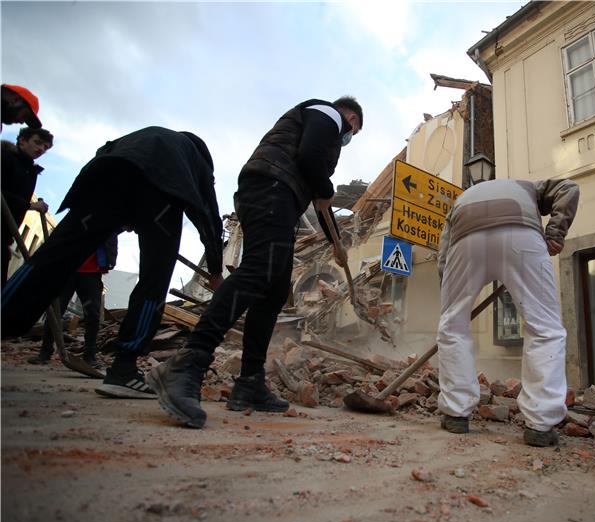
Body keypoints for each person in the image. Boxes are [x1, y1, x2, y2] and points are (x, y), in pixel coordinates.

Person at [147, 96, 363, 428]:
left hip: (279, 195)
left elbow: (321, 204)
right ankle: (187, 364)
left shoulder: (320, 135)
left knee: (274, 291)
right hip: (271, 188)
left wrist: (337, 244)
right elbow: (311, 160)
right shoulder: (326, 113)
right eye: (354, 130)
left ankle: (249, 382)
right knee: (258, 272)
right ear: (350, 116)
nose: (349, 137)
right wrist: (325, 185)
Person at [2, 126, 223, 399]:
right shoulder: (194, 157)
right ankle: (124, 369)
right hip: (161, 197)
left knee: (50, 258)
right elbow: (209, 214)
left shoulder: (140, 137)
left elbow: (103, 153)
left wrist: (117, 212)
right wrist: (215, 269)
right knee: (154, 280)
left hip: (105, 178)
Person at [436, 178, 579, 447]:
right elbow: (568, 188)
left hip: (464, 239)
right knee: (545, 328)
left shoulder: (463, 198)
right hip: (521, 234)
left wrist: (451, 291)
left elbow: (444, 252)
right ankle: (540, 423)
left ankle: (456, 413)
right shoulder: (531, 188)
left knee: (453, 325)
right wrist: (555, 235)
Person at [27, 235, 118, 369]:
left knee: (92, 315)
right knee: (55, 311)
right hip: (66, 270)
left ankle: (89, 356)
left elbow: (114, 234)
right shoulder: (78, 219)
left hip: (91, 273)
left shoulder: (105, 219)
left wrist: (110, 259)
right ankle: (45, 353)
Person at [1, 127, 53, 284]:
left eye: (45, 147)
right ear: (22, 141)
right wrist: (31, 206)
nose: (41, 149)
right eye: (37, 143)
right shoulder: (5, 158)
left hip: (5, 236)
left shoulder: (30, 171)